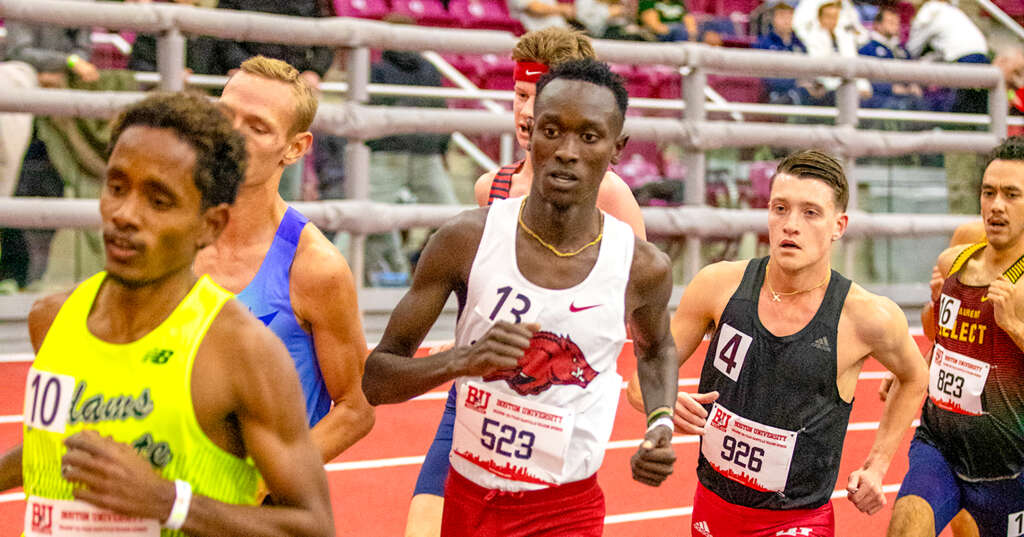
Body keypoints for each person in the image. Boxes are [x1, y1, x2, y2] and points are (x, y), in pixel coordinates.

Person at [363, 58, 680, 537]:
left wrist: (660, 422)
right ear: (529, 135)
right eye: (551, 131)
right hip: (468, 495)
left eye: (589, 137)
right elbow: (377, 380)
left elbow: (657, 350)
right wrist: (460, 362)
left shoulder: (643, 267)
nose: (567, 151)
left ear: (617, 149)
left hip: (565, 511)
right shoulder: (464, 240)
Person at [0, 92, 334, 536]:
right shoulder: (52, 318)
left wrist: (167, 502)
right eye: (117, 187)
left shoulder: (242, 351)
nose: (124, 215)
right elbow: (57, 447)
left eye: (158, 201)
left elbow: (312, 526)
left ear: (209, 225)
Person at [640, 150, 928, 536]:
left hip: (798, 521)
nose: (791, 225)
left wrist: (877, 466)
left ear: (838, 225)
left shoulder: (867, 317)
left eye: (810, 213)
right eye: (780, 208)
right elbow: (643, 378)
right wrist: (664, 401)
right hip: (713, 508)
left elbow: (914, 376)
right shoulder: (718, 286)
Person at [193, 56, 374, 464]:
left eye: (257, 127)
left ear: (295, 148)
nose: (231, 137)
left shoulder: (314, 267)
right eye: (225, 116)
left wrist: (266, 481)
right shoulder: (173, 238)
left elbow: (355, 408)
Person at [886, 137, 1024, 537]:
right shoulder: (956, 258)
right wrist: (916, 367)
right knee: (905, 527)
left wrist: (1014, 325)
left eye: (1011, 195)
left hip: (1009, 468)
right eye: (989, 192)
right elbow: (942, 334)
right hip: (940, 447)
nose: (996, 205)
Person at [858, 6, 925, 112]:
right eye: (890, 21)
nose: (894, 24)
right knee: (899, 106)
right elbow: (865, 80)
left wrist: (913, 85)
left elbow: (912, 72)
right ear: (877, 25)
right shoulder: (867, 49)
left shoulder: (901, 50)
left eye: (896, 22)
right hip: (881, 98)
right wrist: (891, 89)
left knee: (923, 103)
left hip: (906, 96)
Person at [753, 1, 812, 106]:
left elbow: (809, 69)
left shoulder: (800, 44)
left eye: (790, 15)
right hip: (774, 95)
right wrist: (795, 83)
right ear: (772, 18)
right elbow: (764, 77)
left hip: (802, 93)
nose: (786, 20)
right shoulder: (763, 44)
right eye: (781, 15)